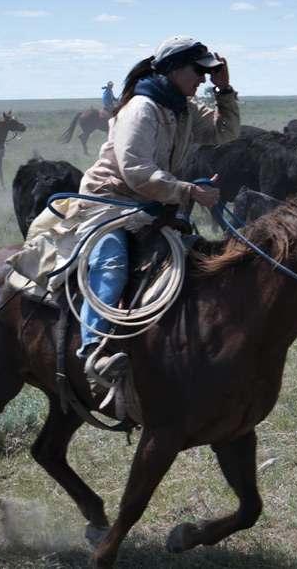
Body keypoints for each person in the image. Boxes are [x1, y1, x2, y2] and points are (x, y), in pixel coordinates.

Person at [74, 34, 239, 381]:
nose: (202, 78)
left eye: (207, 72)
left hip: (150, 204)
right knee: (112, 262)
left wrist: (224, 91)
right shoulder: (141, 108)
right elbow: (135, 169)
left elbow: (225, 132)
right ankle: (94, 351)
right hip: (109, 203)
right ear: (176, 69)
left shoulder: (183, 108)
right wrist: (188, 191)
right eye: (199, 70)